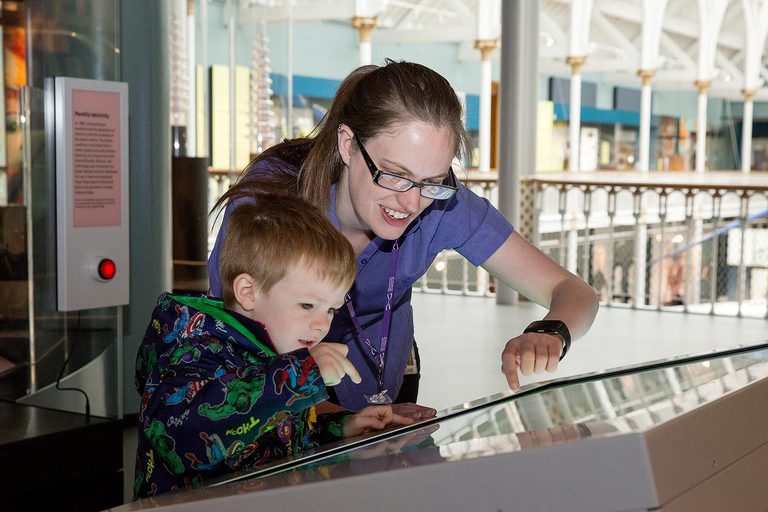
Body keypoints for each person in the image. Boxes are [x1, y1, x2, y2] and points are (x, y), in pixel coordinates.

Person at [208, 59, 599, 413]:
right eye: (394, 174)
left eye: (431, 180)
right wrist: (335, 422)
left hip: (382, 391)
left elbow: (572, 290)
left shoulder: (444, 202)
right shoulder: (272, 192)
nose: (410, 201)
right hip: (274, 397)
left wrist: (551, 331)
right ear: (348, 145)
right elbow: (232, 340)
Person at [133, 196, 412, 499]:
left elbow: (276, 430)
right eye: (307, 305)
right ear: (248, 293)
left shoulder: (275, 352)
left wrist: (342, 426)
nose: (322, 324)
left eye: (331, 310)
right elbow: (182, 440)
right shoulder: (196, 351)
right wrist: (300, 376)